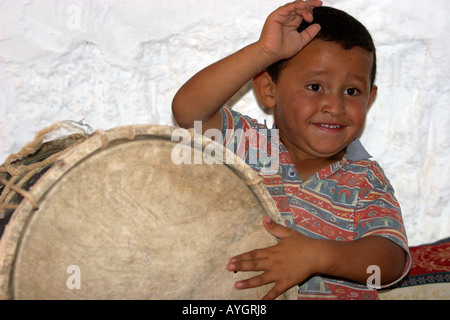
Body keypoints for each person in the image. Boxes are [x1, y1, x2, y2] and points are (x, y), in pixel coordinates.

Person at [172, 0, 411, 300]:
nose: (335, 106)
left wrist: (317, 256)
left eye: (352, 92)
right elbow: (189, 111)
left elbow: (390, 263)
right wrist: (265, 52)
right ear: (269, 90)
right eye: (315, 87)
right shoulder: (249, 146)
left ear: (370, 98)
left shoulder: (364, 178)